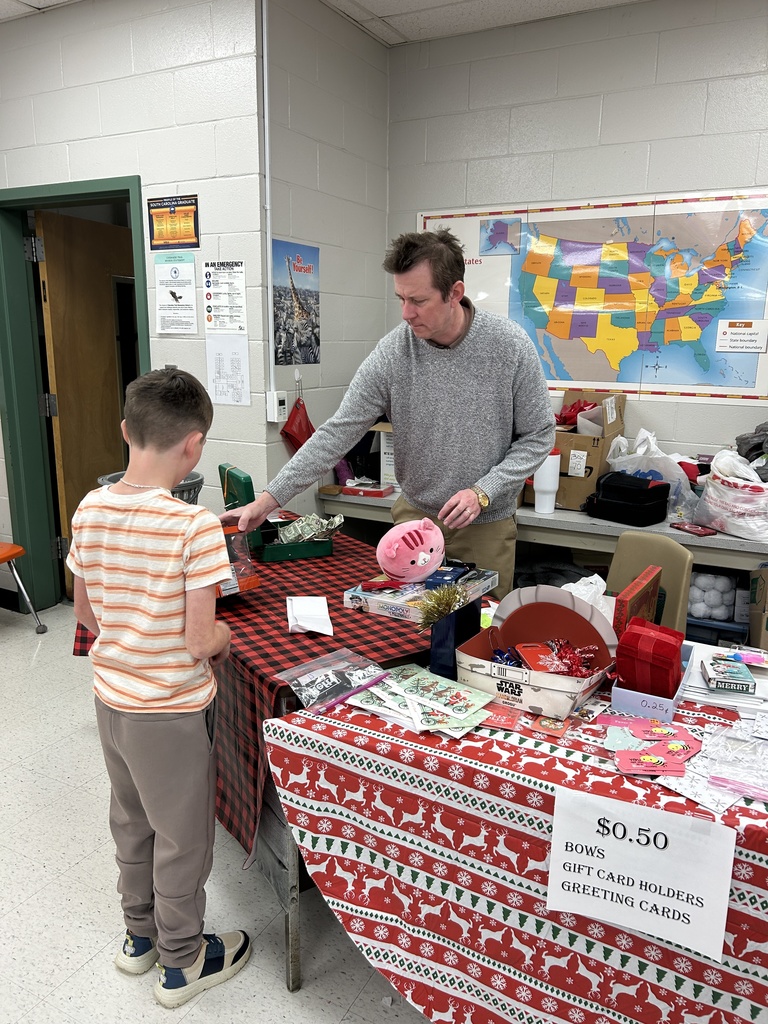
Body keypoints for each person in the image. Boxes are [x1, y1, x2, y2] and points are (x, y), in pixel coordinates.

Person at [223, 229, 555, 596]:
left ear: (455, 293)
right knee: (403, 628)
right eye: (400, 298)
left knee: (472, 635)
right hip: (413, 519)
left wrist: (483, 491)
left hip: (483, 525)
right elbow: (338, 432)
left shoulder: (509, 346)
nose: (406, 313)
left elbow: (538, 435)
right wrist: (268, 501)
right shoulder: (394, 351)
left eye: (418, 300)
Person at [66, 368, 250, 1009]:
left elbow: (83, 610)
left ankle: (138, 938)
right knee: (183, 838)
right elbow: (202, 641)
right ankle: (183, 962)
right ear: (194, 447)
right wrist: (226, 640)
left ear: (126, 431)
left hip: (110, 699)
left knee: (131, 821)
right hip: (170, 711)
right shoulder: (194, 527)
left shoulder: (90, 507)